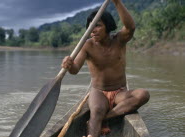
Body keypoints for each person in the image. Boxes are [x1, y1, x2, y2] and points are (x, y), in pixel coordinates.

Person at [61, 0, 150, 136]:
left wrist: (117, 2)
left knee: (143, 95)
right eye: (91, 27)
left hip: (120, 93)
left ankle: (107, 117)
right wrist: (68, 64)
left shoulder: (119, 40)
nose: (93, 31)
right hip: (99, 92)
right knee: (96, 111)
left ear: (108, 26)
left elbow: (130, 27)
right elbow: (75, 69)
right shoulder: (87, 45)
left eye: (97, 26)